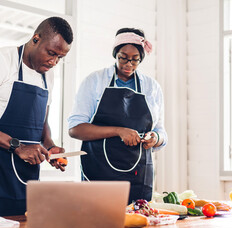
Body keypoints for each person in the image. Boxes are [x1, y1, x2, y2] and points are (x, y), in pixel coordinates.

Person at [0, 17, 73, 216]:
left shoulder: (48, 75)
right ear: (36, 39)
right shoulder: (0, 61)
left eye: (60, 58)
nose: (54, 62)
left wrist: (50, 146)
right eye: (51, 53)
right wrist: (18, 147)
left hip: (25, 171)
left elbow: (41, 121)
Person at [68, 28, 167, 203]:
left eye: (135, 60)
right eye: (123, 57)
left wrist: (155, 137)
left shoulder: (152, 87)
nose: (129, 64)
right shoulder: (95, 81)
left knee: (138, 225)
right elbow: (76, 129)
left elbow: (161, 132)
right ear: (115, 54)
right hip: (99, 171)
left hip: (138, 173)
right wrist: (119, 131)